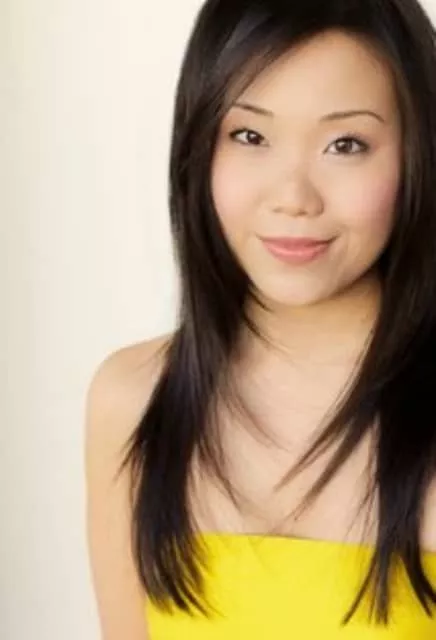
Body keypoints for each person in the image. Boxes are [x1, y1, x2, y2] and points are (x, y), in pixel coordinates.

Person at [85, 0, 436, 637]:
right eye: (250, 136)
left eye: (345, 144)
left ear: (417, 156)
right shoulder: (134, 400)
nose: (293, 197)